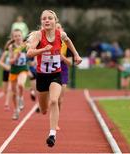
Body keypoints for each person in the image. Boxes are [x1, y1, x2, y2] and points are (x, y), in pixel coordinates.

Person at [27, 10, 82, 147]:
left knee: (54, 100)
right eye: (44, 18)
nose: (47, 20)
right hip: (42, 76)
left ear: (55, 21)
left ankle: (52, 134)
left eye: (50, 18)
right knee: (44, 109)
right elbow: (29, 53)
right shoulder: (39, 35)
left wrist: (76, 55)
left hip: (55, 75)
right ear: (41, 22)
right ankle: (45, 111)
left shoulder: (60, 34)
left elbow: (68, 41)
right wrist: (43, 50)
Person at [56, 23, 73, 131]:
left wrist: (62, 57)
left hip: (63, 69)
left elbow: (70, 62)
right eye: (55, 27)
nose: (57, 29)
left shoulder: (67, 43)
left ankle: (56, 121)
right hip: (50, 69)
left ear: (62, 30)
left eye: (59, 27)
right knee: (53, 98)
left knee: (59, 100)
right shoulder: (47, 41)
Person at [9, 29, 28, 120]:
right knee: (13, 93)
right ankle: (16, 110)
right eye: (15, 36)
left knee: (20, 84)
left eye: (19, 36)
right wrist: (16, 57)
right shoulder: (11, 47)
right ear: (13, 38)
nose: (17, 38)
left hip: (23, 69)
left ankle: (21, 98)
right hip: (14, 70)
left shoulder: (25, 46)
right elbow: (10, 61)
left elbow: (31, 55)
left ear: (22, 36)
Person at [0, 40, 12, 111]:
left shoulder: (16, 52)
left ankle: (6, 103)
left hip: (12, 72)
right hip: (5, 71)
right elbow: (0, 62)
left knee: (10, 88)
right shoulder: (5, 53)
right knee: (4, 90)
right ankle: (10, 97)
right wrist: (6, 66)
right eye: (8, 44)